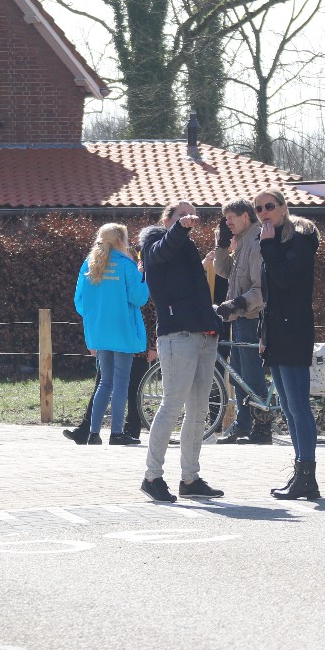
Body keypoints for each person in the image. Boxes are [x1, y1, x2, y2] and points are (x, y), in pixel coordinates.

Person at [138, 201, 225, 503]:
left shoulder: (186, 248)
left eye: (191, 214)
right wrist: (178, 228)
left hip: (203, 335)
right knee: (171, 406)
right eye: (180, 215)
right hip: (177, 336)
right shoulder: (153, 242)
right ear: (167, 220)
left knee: (199, 410)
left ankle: (190, 479)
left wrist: (214, 320)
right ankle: (152, 476)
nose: (189, 218)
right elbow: (160, 252)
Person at [253, 188, 321, 499]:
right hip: (277, 333)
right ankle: (300, 475)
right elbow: (270, 296)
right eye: (258, 209)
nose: (263, 212)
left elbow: (285, 280)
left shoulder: (300, 240)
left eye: (269, 206)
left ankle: (308, 475)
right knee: (289, 409)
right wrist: (263, 335)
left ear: (283, 208)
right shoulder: (273, 241)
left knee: (299, 406)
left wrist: (267, 246)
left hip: (294, 331)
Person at [64, 238, 152, 445]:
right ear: (119, 240)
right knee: (121, 382)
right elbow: (139, 298)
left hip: (100, 332)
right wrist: (142, 276)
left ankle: (94, 434)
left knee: (105, 382)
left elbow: (80, 301)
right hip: (123, 331)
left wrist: (94, 320)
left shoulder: (91, 263)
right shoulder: (126, 265)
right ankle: (116, 433)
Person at [213, 198, 271, 444]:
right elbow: (223, 271)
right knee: (238, 376)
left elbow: (261, 289)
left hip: (251, 318)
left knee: (250, 375)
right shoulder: (243, 241)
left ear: (245, 216)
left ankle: (263, 427)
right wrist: (222, 245)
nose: (227, 223)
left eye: (231, 218)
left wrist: (236, 303)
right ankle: (243, 425)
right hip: (239, 318)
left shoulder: (256, 243)